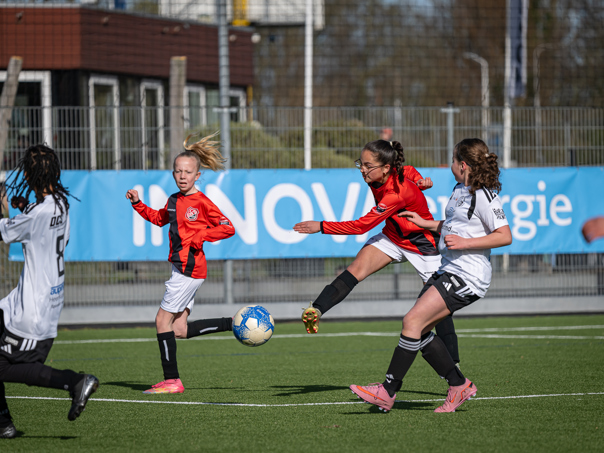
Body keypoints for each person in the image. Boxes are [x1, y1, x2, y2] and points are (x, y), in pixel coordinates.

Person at [349, 138, 512, 413]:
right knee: (419, 329)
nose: (450, 165)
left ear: (463, 165)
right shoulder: (459, 190)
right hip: (449, 269)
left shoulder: (484, 196)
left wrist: (465, 243)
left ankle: (387, 392)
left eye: (453, 160)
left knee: (412, 321)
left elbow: (504, 236)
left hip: (468, 276)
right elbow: (454, 226)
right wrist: (426, 223)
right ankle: (458, 385)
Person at [293, 139, 460, 364]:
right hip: (393, 236)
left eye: (368, 165)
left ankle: (454, 367)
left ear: (386, 168)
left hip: (422, 244)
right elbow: (409, 170)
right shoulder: (385, 174)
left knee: (435, 306)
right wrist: (420, 180)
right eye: (360, 164)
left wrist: (321, 226)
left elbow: (361, 226)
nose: (362, 169)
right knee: (356, 269)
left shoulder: (396, 193)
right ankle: (316, 310)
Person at [0, 144, 98, 439]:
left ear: (28, 176)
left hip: (32, 311)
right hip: (37, 303)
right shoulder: (61, 203)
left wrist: (5, 205)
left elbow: (7, 231)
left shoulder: (37, 214)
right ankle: (3, 424)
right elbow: (43, 226)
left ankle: (74, 381)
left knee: (7, 368)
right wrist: (23, 208)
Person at [126, 132, 236, 395]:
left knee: (161, 322)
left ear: (198, 175)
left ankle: (172, 380)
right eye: (178, 171)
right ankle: (232, 323)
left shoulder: (202, 202)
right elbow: (159, 218)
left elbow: (228, 227)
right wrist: (138, 204)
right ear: (173, 173)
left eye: (188, 172)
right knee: (179, 329)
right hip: (180, 268)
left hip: (189, 270)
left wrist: (201, 235)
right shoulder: (174, 200)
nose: (183, 176)